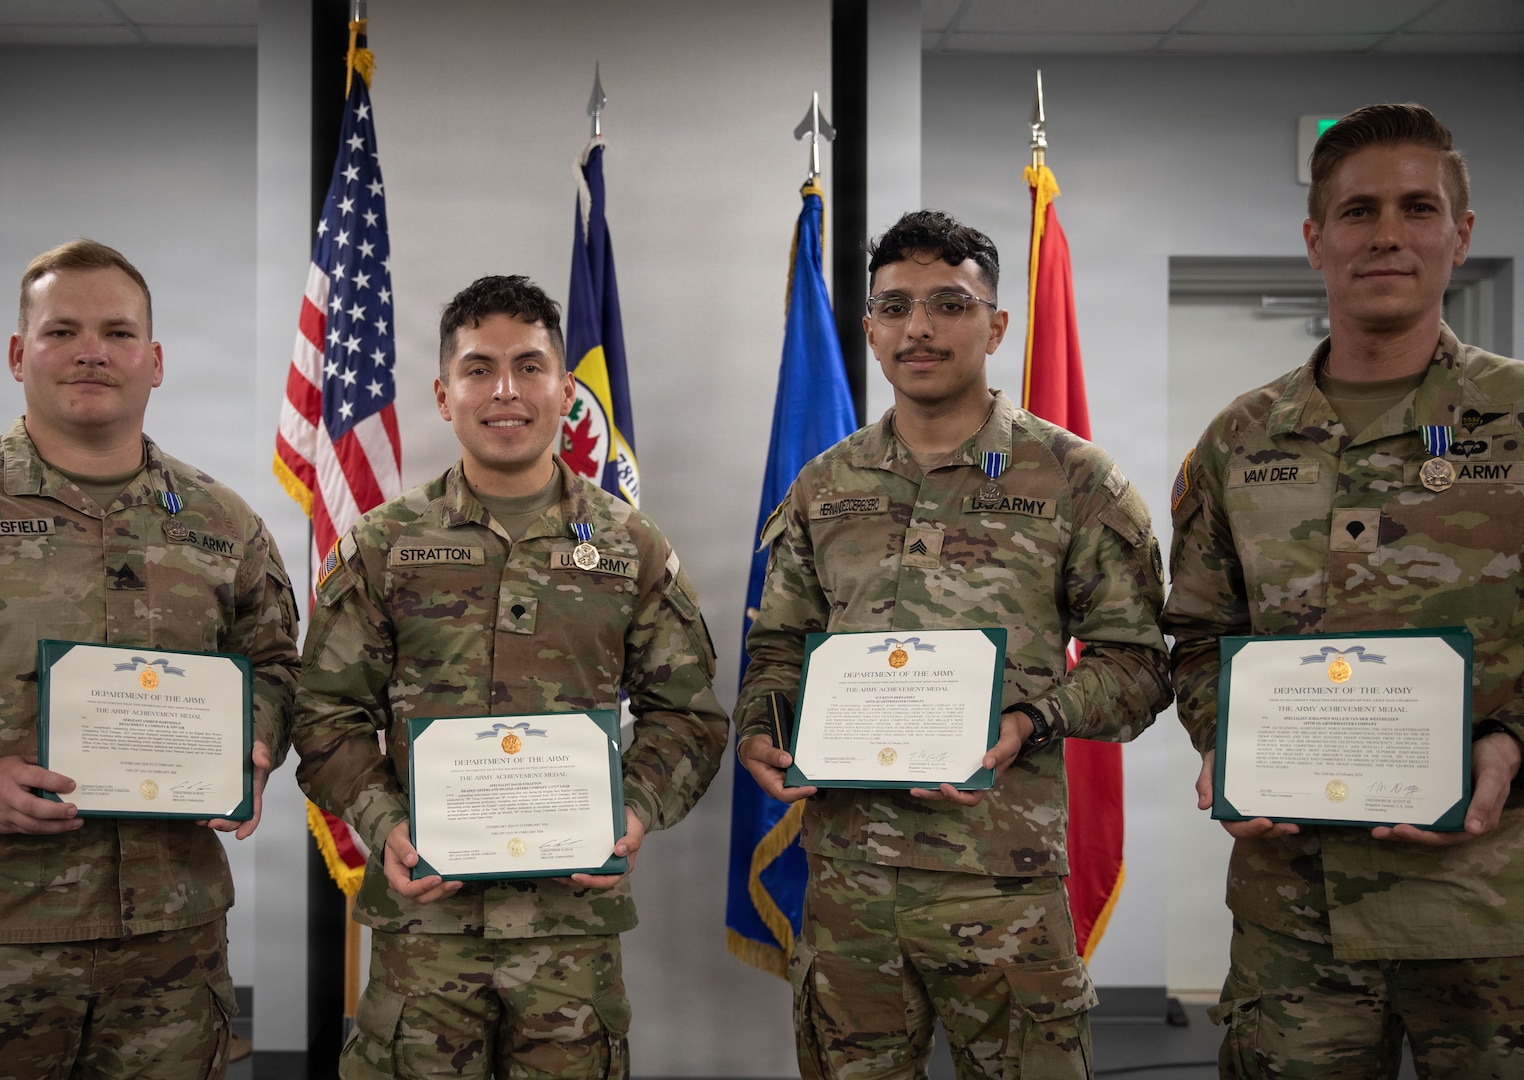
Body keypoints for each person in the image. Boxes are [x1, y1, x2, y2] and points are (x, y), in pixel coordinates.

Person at [736, 210, 1171, 1079]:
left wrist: (1031, 721)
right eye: (895, 307)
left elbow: (1139, 666)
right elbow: (780, 642)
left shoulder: (1074, 480)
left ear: (996, 326)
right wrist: (760, 726)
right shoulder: (826, 484)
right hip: (850, 882)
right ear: (870, 329)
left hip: (1001, 879)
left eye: (948, 304)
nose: (919, 329)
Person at [1164, 102, 1524, 1078]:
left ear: (1461, 235)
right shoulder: (1240, 440)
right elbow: (1197, 631)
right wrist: (1225, 739)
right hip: (1296, 915)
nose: (1387, 235)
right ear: (1316, 238)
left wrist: (1512, 740)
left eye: (1418, 208)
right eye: (1359, 211)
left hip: (1492, 908)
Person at [292, 274, 727, 1078]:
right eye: (478, 369)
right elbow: (324, 714)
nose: (505, 391)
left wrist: (633, 812)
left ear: (566, 392)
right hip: (425, 932)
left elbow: (687, 715)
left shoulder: (631, 545)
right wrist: (385, 824)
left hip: (571, 931)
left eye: (529, 367)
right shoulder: (385, 545)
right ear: (443, 394)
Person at [0, 239, 300, 1075]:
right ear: (19, 355)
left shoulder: (224, 523)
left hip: (171, 946)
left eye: (118, 333)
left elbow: (274, 662)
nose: (92, 352)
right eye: (63, 331)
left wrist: (254, 739)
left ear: (155, 362)